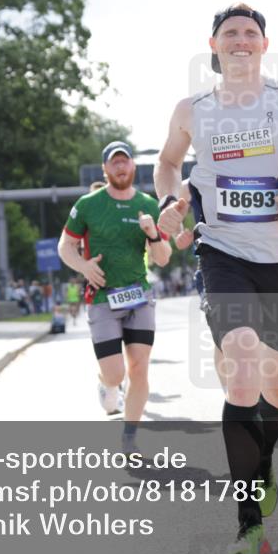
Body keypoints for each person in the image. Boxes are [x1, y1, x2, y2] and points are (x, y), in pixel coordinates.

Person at [155, 3, 278, 554]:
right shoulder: (193, 110)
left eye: (250, 33)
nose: (241, 40)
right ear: (213, 45)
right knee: (240, 367)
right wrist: (171, 199)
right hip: (224, 252)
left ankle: (261, 466)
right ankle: (247, 523)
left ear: (265, 44)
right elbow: (167, 164)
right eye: (230, 33)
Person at [58, 141, 172, 454]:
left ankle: (130, 437)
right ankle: (106, 383)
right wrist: (83, 266)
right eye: (114, 163)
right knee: (115, 373)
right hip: (102, 298)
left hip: (138, 296)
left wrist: (152, 234)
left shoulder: (149, 205)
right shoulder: (89, 204)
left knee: (139, 369)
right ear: (106, 168)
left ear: (133, 166)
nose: (120, 168)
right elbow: (65, 246)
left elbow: (162, 257)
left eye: (125, 162)